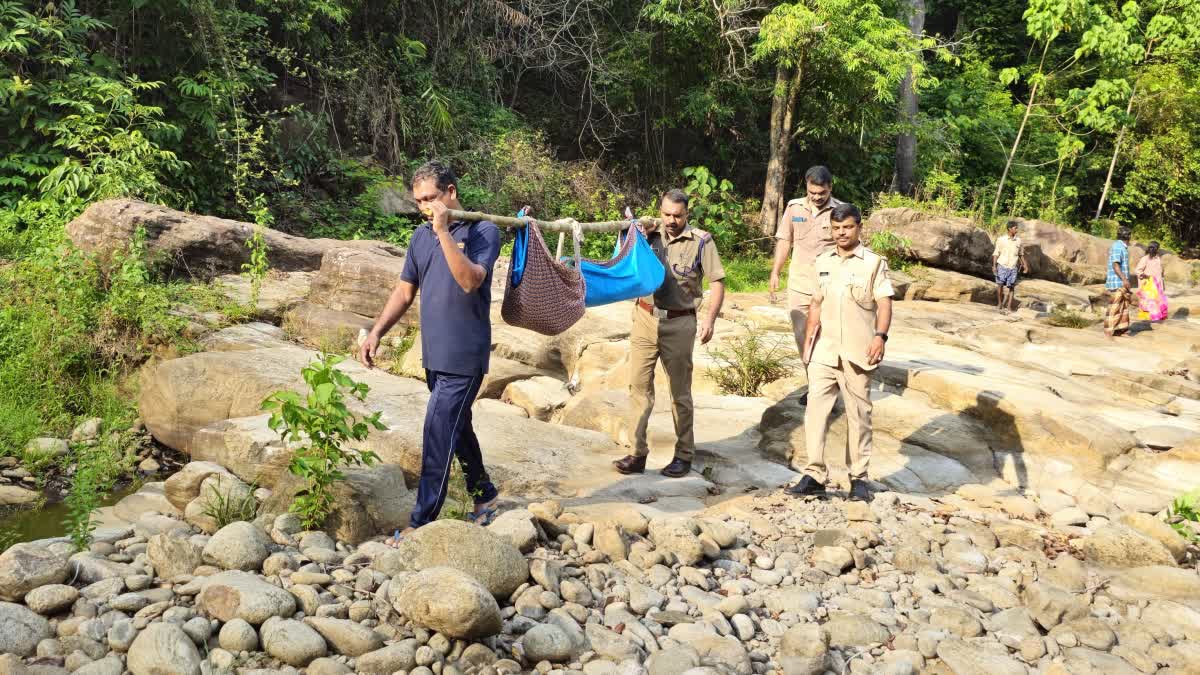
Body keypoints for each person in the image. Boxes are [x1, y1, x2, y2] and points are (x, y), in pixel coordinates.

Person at [358, 160, 501, 542]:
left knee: (437, 431)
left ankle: (421, 522)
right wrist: (376, 332)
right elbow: (405, 291)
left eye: (431, 198)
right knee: (458, 425)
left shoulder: (483, 231)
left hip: (465, 355)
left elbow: (470, 281)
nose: (425, 207)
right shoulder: (421, 237)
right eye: (419, 201)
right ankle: (484, 495)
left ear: (450, 193)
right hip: (434, 356)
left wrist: (444, 233)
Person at [614, 189, 727, 478]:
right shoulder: (648, 235)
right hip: (645, 317)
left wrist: (710, 319)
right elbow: (621, 258)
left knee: (680, 393)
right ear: (660, 211)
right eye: (667, 214)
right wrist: (634, 231)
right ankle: (637, 453)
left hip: (679, 323)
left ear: (687, 214)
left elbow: (717, 282)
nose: (671, 220)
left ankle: (683, 455)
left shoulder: (702, 241)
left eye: (678, 215)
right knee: (638, 387)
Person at [788, 203, 893, 503]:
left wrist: (880, 336)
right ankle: (814, 475)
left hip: (858, 351)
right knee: (815, 412)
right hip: (824, 349)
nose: (841, 233)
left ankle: (858, 478)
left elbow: (884, 303)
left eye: (846, 227)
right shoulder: (823, 261)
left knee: (859, 415)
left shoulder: (873, 263)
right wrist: (809, 337)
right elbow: (816, 303)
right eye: (836, 228)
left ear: (859, 227)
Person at [769, 166, 843, 355]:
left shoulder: (840, 212)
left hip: (829, 285)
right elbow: (785, 240)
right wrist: (776, 272)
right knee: (801, 333)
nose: (817, 197)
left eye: (822, 193)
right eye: (813, 192)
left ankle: (825, 376)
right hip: (799, 283)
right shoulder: (794, 208)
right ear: (806, 186)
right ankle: (811, 375)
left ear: (830, 187)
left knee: (826, 334)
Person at [992, 220, 1028, 313]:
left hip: (1013, 267)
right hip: (1002, 265)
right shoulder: (1001, 240)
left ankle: (1009, 307)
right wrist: (994, 266)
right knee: (1000, 285)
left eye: (1017, 228)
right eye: (1015, 228)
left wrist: (1025, 265)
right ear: (1009, 229)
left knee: (1011, 287)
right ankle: (1000, 304)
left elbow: (1021, 254)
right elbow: (996, 253)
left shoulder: (1019, 241)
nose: (1017, 229)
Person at [1104, 227, 1133, 338]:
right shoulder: (1117, 246)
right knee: (1115, 306)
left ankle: (1120, 330)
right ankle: (1108, 331)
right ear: (1128, 236)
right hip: (1118, 282)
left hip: (1121, 281)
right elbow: (1115, 265)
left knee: (1123, 305)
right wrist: (1124, 279)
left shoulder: (1122, 247)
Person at [1134, 241, 1169, 322]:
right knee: (1148, 303)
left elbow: (1160, 273)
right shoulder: (1145, 259)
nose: (1152, 250)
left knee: (1157, 302)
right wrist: (1145, 275)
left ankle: (1155, 318)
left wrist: (1162, 285)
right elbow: (1138, 270)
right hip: (1148, 285)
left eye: (1153, 248)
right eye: (1151, 248)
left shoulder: (1158, 259)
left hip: (1157, 285)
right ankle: (1147, 320)